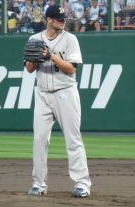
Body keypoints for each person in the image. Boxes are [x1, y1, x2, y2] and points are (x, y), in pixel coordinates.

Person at [25, 4, 91, 197]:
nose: (62, 22)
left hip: (65, 92)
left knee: (73, 138)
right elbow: (29, 69)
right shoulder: (34, 39)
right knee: (39, 140)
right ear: (49, 20)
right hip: (43, 93)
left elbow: (71, 69)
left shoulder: (70, 39)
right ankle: (38, 184)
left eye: (64, 19)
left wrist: (50, 56)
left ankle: (82, 184)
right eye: (59, 19)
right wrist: (35, 57)